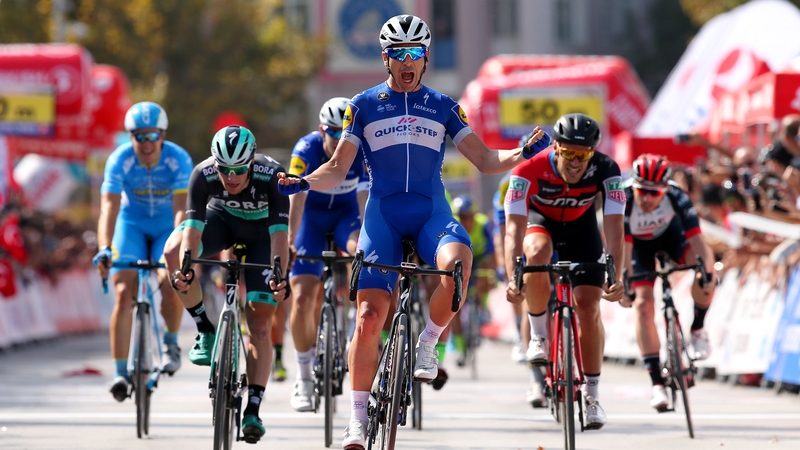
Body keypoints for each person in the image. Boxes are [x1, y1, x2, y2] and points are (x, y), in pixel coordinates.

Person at [276, 14, 551, 450]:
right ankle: (357, 420)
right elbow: (336, 169)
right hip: (383, 216)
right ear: (386, 59)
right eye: (398, 54)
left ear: (425, 59)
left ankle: (428, 342)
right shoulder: (362, 106)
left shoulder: (443, 106)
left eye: (416, 54)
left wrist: (520, 152)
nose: (408, 61)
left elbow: (483, 159)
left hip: (429, 214)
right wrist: (303, 182)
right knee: (368, 319)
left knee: (458, 262)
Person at [163, 125, 289, 443]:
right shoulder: (202, 174)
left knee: (259, 324)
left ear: (251, 163)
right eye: (224, 170)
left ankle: (253, 408)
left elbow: (279, 237)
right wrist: (187, 265)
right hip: (219, 222)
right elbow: (191, 227)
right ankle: (205, 329)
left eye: (238, 170)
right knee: (173, 252)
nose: (230, 178)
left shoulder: (272, 175)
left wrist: (279, 275)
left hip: (263, 233)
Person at [504, 112, 625, 430]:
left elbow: (614, 226)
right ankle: (540, 337)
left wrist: (618, 275)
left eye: (582, 155)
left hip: (582, 230)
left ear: (592, 153)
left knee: (587, 305)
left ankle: (593, 396)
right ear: (555, 148)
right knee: (536, 253)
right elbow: (513, 231)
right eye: (568, 153)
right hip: (541, 224)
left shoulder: (608, 169)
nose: (575, 162)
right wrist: (512, 276)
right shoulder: (528, 168)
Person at [92, 101, 193, 402]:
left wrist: (175, 247)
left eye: (153, 136)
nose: (147, 144)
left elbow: (180, 210)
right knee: (123, 292)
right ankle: (121, 373)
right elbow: (109, 208)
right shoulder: (119, 160)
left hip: (166, 227)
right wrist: (104, 248)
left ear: (162, 136)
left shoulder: (178, 159)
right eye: (139, 136)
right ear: (130, 137)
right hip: (131, 225)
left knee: (171, 281)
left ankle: (171, 342)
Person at [286, 97, 368, 412]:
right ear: (322, 130)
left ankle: (352, 325)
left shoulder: (358, 149)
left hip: (346, 215)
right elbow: (297, 198)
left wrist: (365, 242)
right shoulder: (305, 150)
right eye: (334, 133)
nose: (340, 140)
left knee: (358, 252)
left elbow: (363, 200)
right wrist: (292, 239)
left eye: (346, 131)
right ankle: (304, 377)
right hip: (312, 219)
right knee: (304, 296)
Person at [620, 153, 717, 410]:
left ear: (665, 189)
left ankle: (697, 328)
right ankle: (657, 384)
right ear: (634, 185)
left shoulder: (677, 196)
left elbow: (698, 240)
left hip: (671, 239)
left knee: (705, 274)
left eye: (655, 193)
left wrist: (706, 269)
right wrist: (625, 283)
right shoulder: (625, 200)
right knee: (643, 304)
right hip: (638, 249)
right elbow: (624, 251)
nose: (648, 198)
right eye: (643, 191)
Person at [449, 195, 494, 367]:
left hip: (479, 257)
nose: (465, 221)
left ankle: (482, 307)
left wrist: (492, 273)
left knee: (486, 272)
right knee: (455, 308)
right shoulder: (452, 224)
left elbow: (492, 252)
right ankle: (460, 349)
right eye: (461, 217)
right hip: (461, 258)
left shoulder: (483, 224)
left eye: (469, 216)